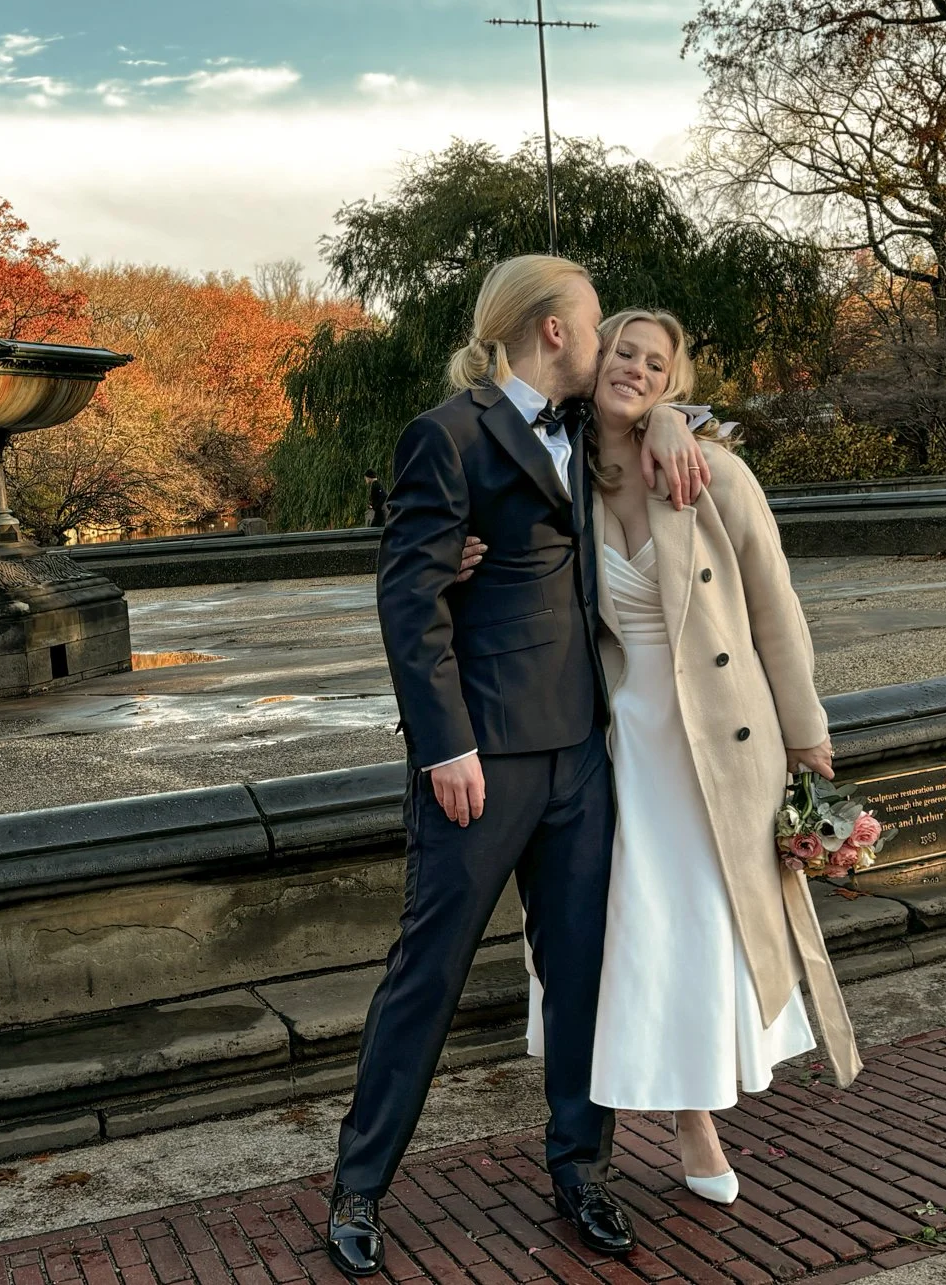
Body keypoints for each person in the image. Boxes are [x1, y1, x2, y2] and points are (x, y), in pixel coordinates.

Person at [327, 257, 710, 1279]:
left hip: (579, 754)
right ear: (551, 332)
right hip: (478, 764)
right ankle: (359, 1187)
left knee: (582, 974)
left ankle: (582, 1169)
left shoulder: (589, 427)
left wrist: (671, 422)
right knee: (427, 975)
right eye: (593, 328)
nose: (603, 346)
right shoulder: (444, 436)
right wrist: (443, 744)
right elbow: (407, 604)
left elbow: (672, 409)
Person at [485, 310, 864, 1207]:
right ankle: (636, 1110)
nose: (638, 371)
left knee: (702, 923)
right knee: (630, 926)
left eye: (657, 366)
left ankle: (698, 1111)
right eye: (624, 352)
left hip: (719, 731)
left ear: (672, 381)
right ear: (596, 355)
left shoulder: (714, 472)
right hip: (616, 737)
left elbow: (776, 603)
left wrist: (807, 731)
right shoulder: (566, 473)